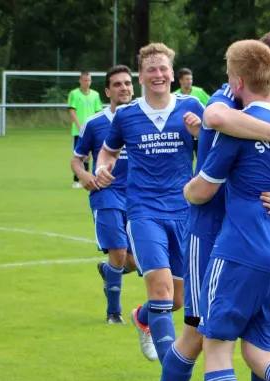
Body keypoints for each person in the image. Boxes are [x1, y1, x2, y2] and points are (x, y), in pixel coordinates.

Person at [159, 26, 270, 381]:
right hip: (213, 231)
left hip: (252, 236)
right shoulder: (231, 97)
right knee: (199, 334)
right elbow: (215, 117)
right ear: (263, 59)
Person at [95, 43, 205, 364]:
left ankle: (143, 318)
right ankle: (173, 375)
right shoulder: (126, 115)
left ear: (172, 73)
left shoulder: (194, 106)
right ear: (141, 76)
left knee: (177, 300)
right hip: (144, 212)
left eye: (163, 69)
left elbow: (218, 145)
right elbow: (107, 151)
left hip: (185, 211)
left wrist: (201, 133)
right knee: (160, 291)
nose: (158, 74)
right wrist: (102, 167)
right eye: (151, 69)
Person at [71, 65, 139, 324]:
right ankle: (114, 313)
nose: (124, 88)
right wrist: (85, 176)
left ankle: (109, 271)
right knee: (119, 253)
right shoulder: (95, 123)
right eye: (118, 84)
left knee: (134, 263)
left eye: (127, 83)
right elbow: (77, 160)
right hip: (106, 194)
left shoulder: (141, 118)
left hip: (137, 197)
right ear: (108, 91)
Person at [68, 71, 103, 188]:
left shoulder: (95, 95)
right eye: (85, 80)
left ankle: (87, 180)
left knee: (90, 155)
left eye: (89, 80)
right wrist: (79, 125)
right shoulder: (74, 94)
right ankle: (76, 181)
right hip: (78, 131)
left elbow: (98, 111)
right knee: (79, 156)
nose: (87, 83)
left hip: (92, 131)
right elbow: (72, 110)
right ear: (80, 81)